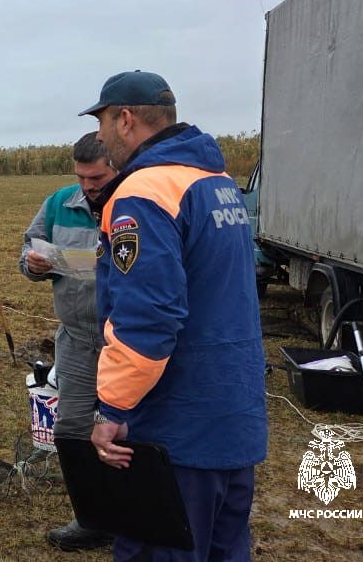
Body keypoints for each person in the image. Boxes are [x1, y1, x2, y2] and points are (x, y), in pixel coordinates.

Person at [80, 71, 268, 561]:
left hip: (177, 423)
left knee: (159, 548)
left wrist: (113, 410)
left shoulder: (144, 191)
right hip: (233, 414)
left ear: (125, 119)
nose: (99, 135)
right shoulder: (217, 182)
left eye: (102, 121)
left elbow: (148, 315)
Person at [18, 131, 116, 552]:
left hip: (125, 345)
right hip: (76, 339)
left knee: (130, 432)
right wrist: (34, 264)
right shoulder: (59, 203)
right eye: (81, 178)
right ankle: (91, 518)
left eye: (97, 178)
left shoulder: (134, 203)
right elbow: (28, 250)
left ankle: (137, 514)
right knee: (71, 429)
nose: (88, 186)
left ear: (116, 167)